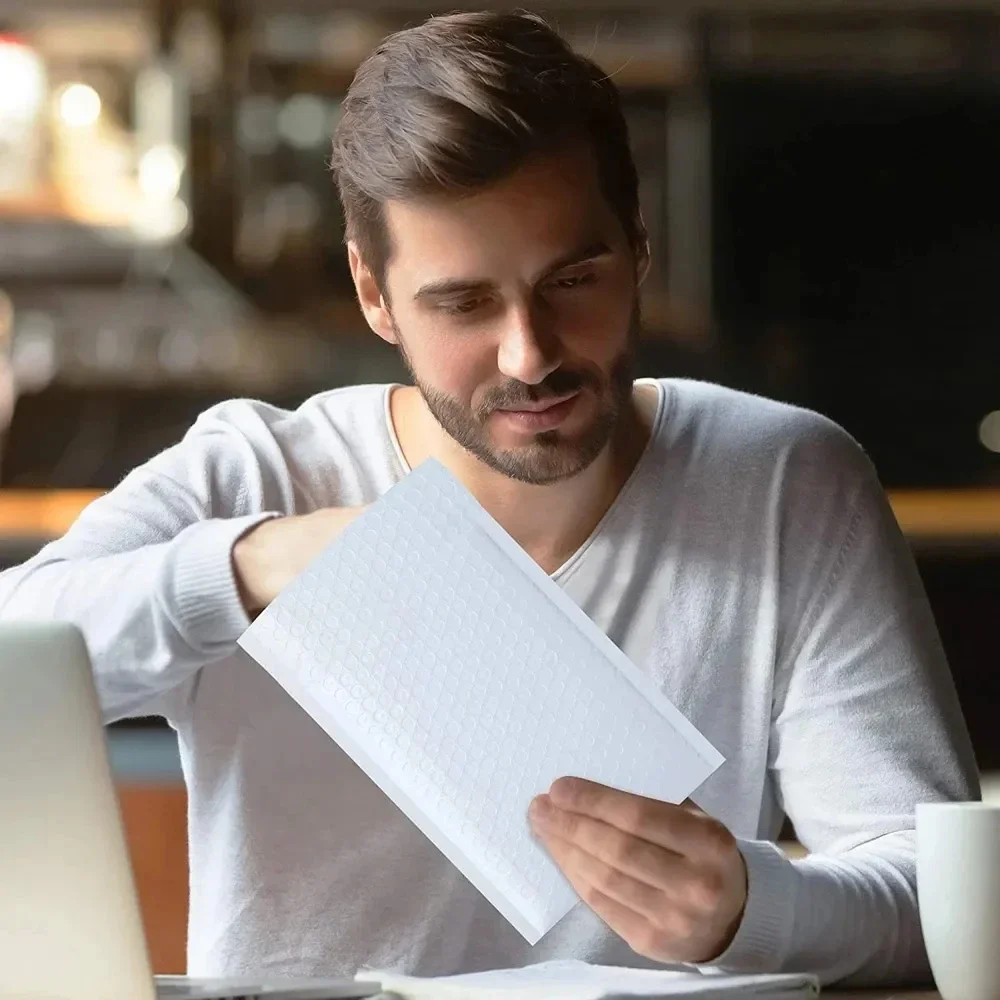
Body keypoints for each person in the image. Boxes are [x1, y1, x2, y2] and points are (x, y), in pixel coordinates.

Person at [0, 9, 978, 988]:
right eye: (463, 303)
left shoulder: (781, 482)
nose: (530, 353)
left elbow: (936, 906)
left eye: (573, 278)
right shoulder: (255, 475)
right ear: (373, 294)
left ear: (638, 247)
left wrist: (750, 910)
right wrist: (252, 565)